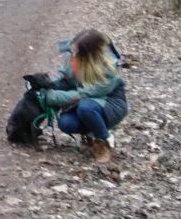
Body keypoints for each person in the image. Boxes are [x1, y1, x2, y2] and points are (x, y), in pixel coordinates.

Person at [43, 29, 128, 163]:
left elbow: (84, 94)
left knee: (86, 107)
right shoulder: (74, 56)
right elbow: (62, 75)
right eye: (73, 50)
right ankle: (91, 132)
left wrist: (52, 96)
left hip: (110, 104)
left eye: (76, 52)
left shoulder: (108, 69)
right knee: (65, 123)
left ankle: (104, 141)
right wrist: (44, 84)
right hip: (86, 102)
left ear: (89, 55)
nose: (73, 54)